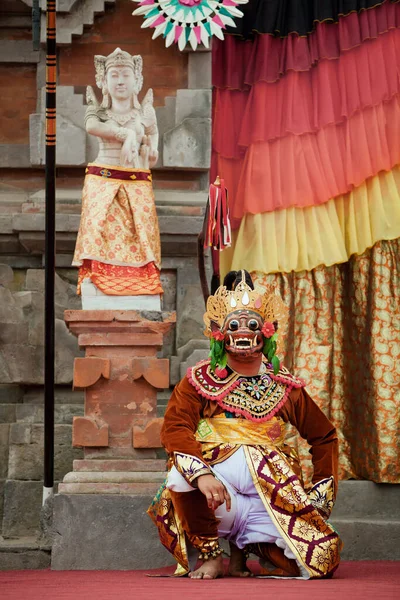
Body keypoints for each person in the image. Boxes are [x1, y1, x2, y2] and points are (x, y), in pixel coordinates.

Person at [148, 270, 342, 579]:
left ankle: (250, 546)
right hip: (217, 482)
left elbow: (325, 436)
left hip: (272, 489)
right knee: (179, 475)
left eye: (251, 325)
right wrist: (200, 475)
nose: (242, 332)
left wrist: (319, 499)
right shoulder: (199, 380)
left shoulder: (285, 386)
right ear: (218, 332)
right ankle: (211, 554)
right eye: (233, 325)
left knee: (322, 559)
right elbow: (175, 429)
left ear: (267, 331)